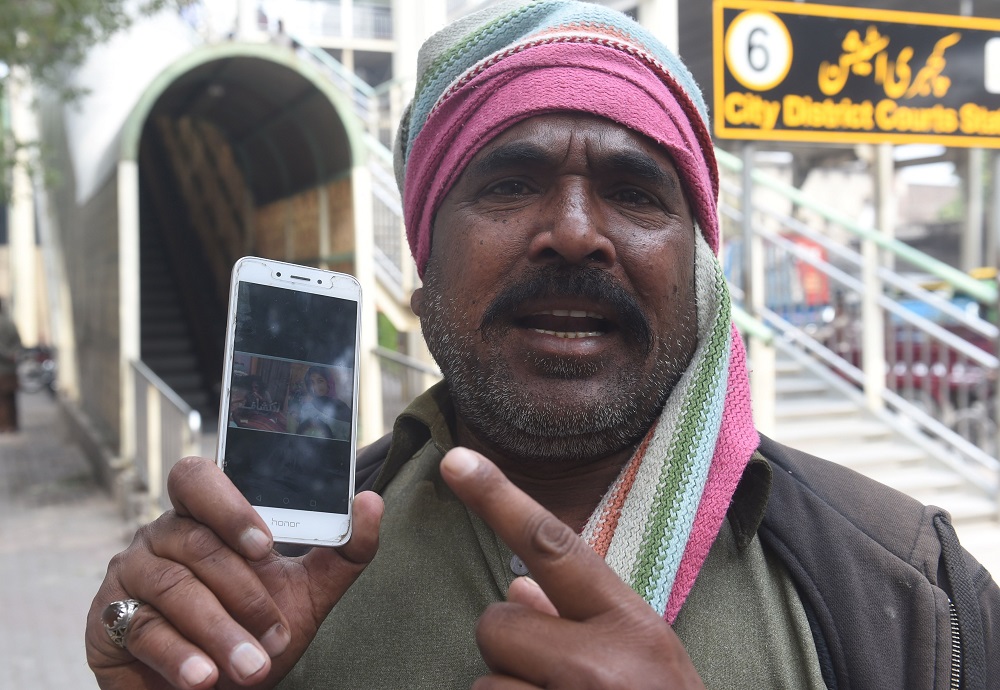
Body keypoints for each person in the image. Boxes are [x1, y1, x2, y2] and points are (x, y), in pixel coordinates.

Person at [86, 2, 999, 688]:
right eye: (511, 182)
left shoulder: (912, 589)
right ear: (423, 274)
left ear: (701, 274)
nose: (572, 231)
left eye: (636, 192)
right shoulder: (273, 577)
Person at [0, 301, 22, 433]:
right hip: (10, 367)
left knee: (2, 399)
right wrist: (12, 354)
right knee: (11, 397)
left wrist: (5, 354)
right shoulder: (10, 323)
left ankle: (4, 425)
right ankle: (12, 424)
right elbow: (18, 342)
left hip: (2, 368)